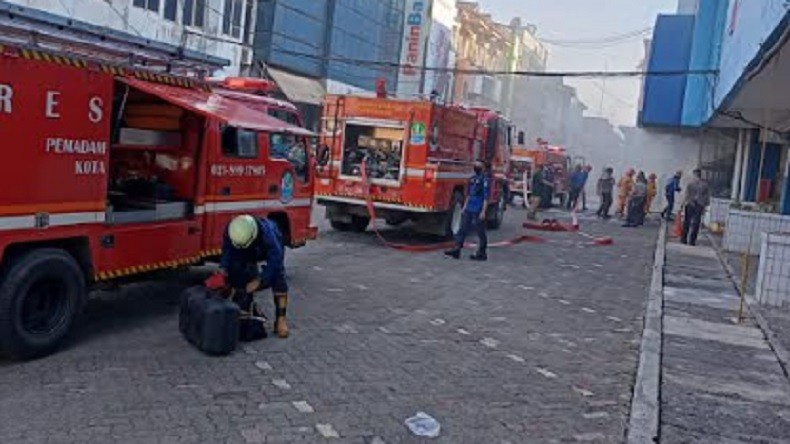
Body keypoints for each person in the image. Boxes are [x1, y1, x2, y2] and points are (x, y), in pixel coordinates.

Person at [219, 215, 290, 338]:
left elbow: (275, 260)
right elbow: (227, 249)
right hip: (246, 248)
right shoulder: (231, 230)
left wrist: (260, 280)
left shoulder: (268, 233)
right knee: (237, 270)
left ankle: (281, 319)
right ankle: (245, 309)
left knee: (278, 275)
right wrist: (223, 268)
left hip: (266, 247)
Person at [445, 160, 490, 261]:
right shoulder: (472, 179)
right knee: (463, 229)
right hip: (469, 207)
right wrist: (464, 207)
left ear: (483, 167)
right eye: (475, 164)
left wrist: (483, 211)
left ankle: (482, 252)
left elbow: (486, 197)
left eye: (478, 165)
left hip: (478, 208)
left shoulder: (484, 180)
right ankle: (457, 249)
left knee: (480, 231)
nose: (476, 166)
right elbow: (469, 194)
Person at [682, 168, 711, 246]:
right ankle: (692, 241)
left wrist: (683, 203)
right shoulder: (705, 184)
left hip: (690, 203)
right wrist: (706, 205)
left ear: (694, 174)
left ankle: (684, 239)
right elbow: (707, 196)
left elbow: (687, 194)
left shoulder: (690, 183)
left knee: (687, 222)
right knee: (696, 223)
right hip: (699, 204)